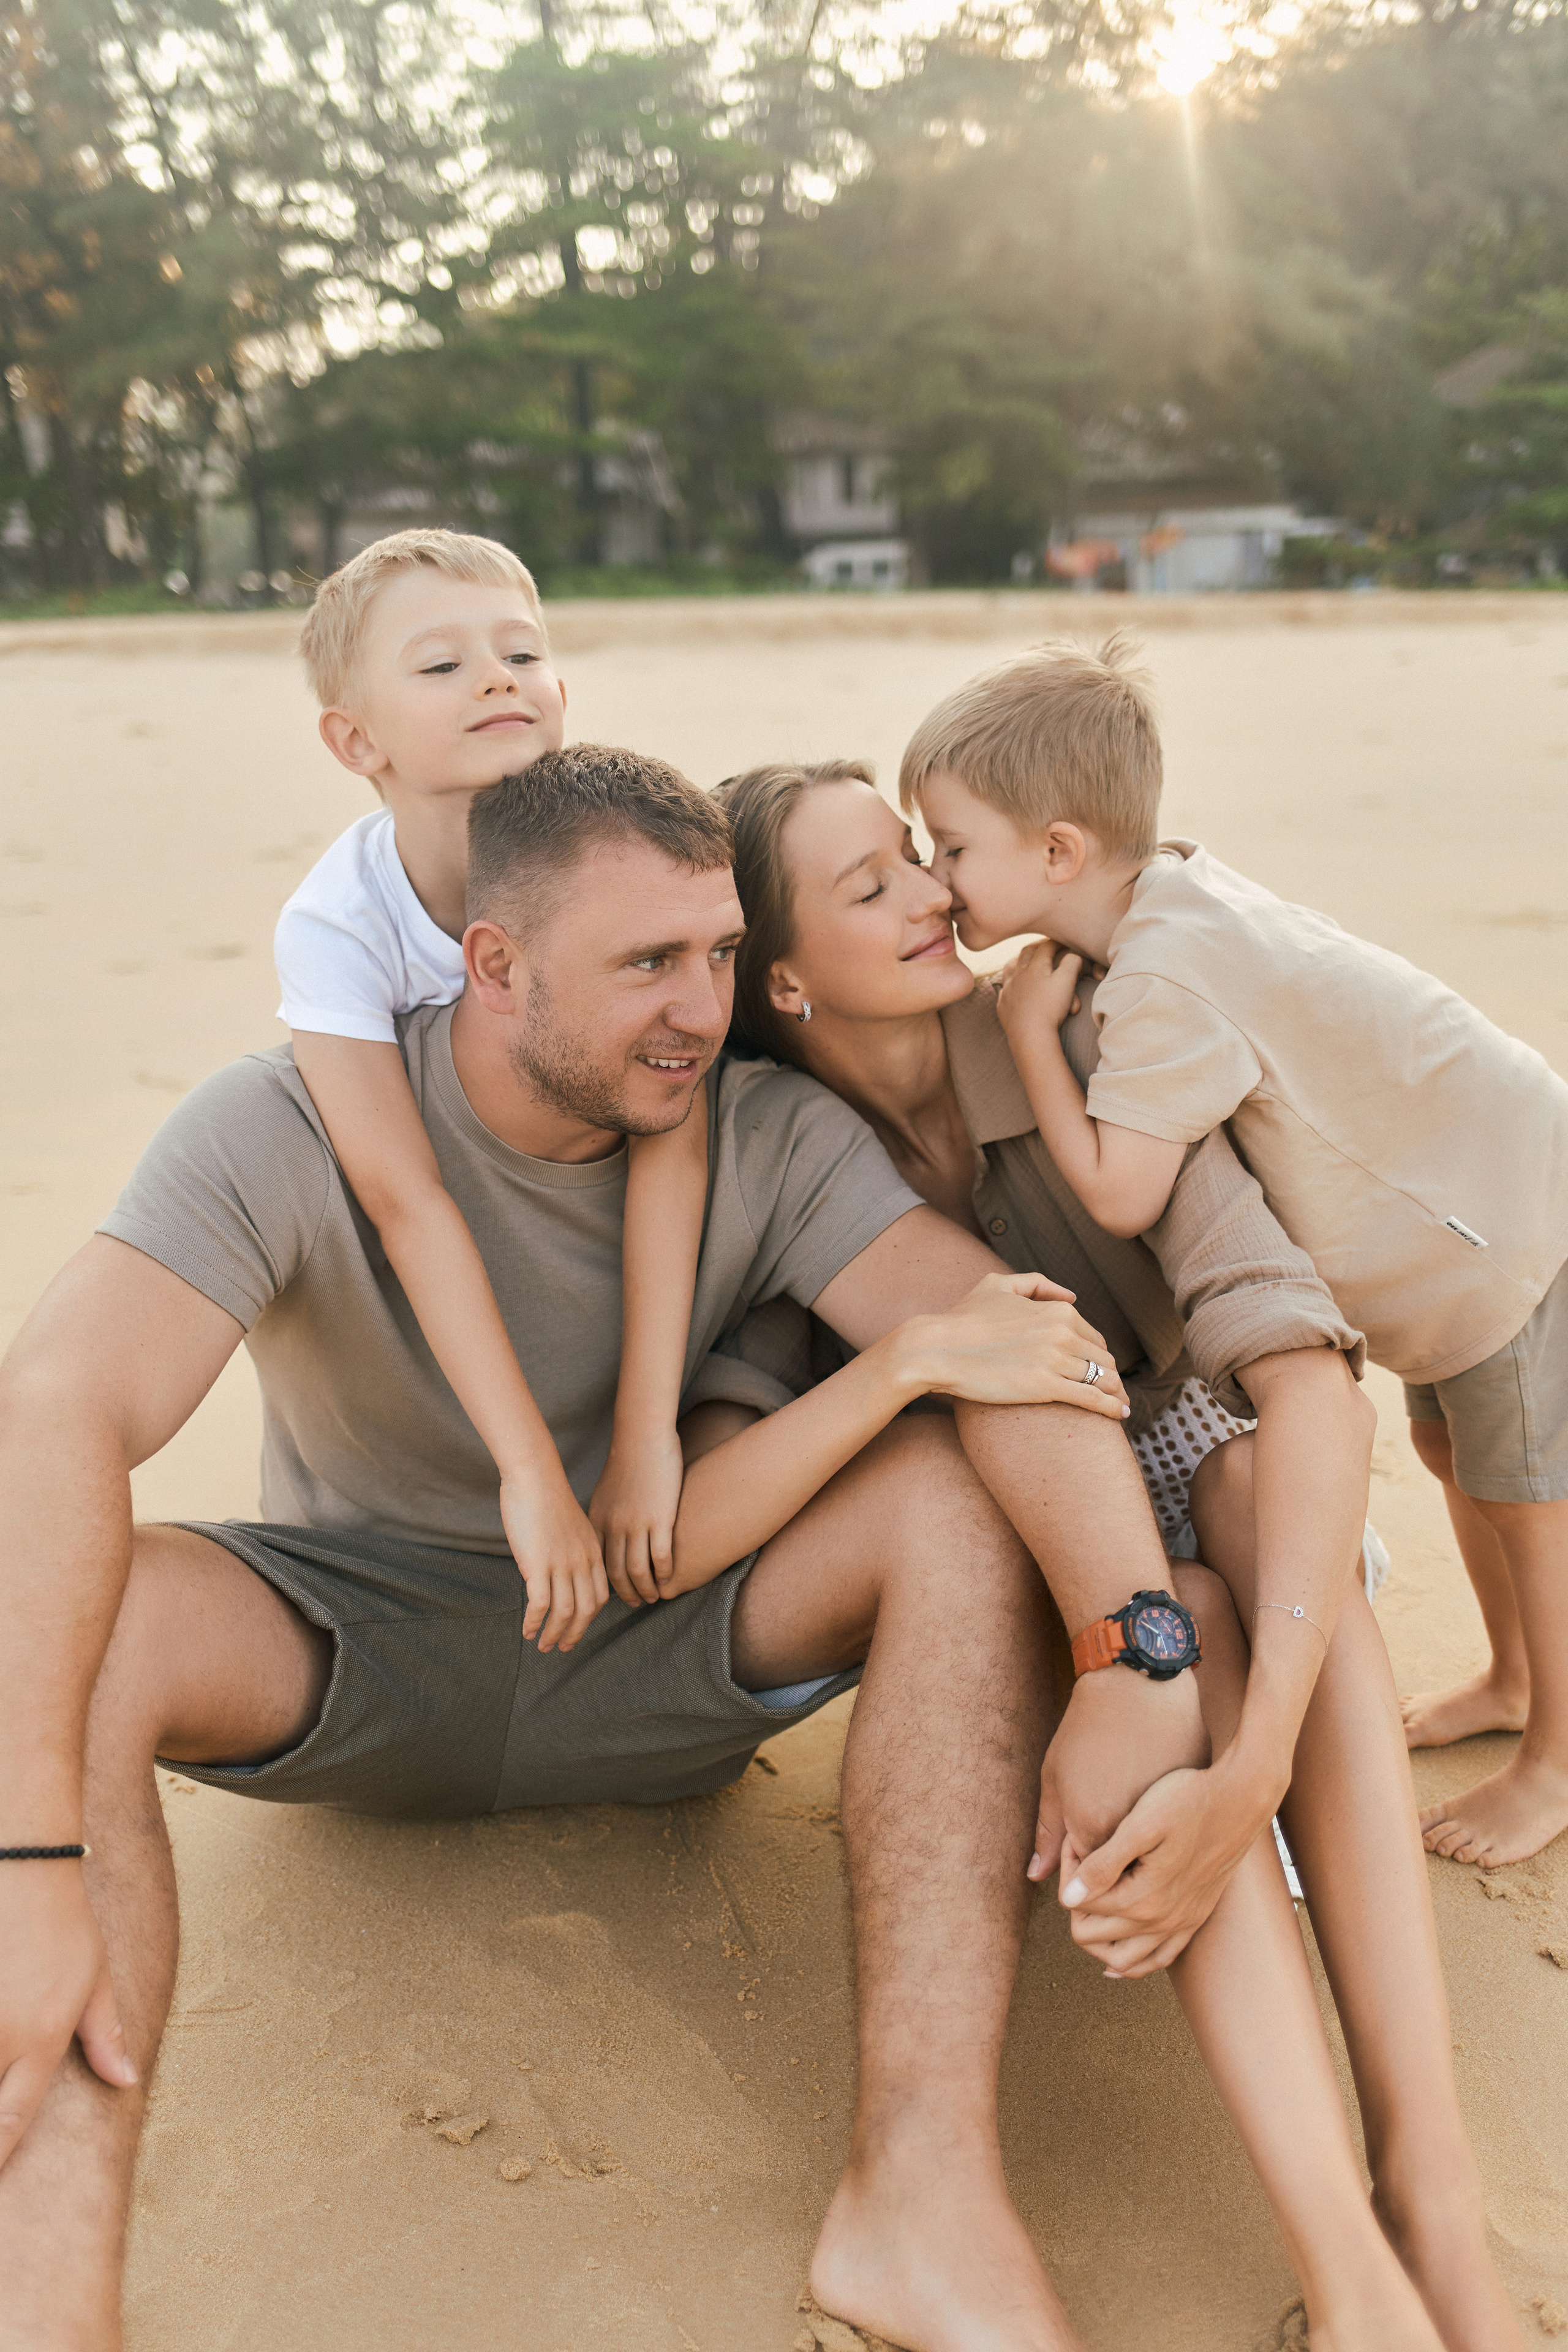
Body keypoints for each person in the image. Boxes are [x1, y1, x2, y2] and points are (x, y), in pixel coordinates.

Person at [0, 740, 1232, 2352]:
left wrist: (1132, 1641)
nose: (700, 1009)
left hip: (675, 1650)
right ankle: (50, 2298)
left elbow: (1017, 1344)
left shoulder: (765, 1136)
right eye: (647, 963)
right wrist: (26, 1865)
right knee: (110, 1599)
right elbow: (52, 1409)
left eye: (720, 955)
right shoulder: (293, 1120)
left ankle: (922, 2199)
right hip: (357, 1652)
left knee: (941, 1492)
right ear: (492, 965)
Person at [712, 753, 1526, 2352]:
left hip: (1245, 1513)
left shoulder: (1079, 1029)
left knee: (1233, 1493)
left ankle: (1428, 2195)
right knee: (1187, 1623)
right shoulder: (776, 1167)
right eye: (870, 884)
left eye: (915, 855)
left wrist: (1256, 1767)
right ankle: (1356, 2277)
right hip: (1027, 1582)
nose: (936, 892)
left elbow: (1306, 1378)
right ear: (785, 979)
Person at [903, 633, 1568, 1874]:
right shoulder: (1170, 897)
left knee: (1529, 1491)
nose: (933, 878)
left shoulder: (1160, 979)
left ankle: (1557, 1761)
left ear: (1055, 853)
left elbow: (1116, 1189)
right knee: (1449, 1449)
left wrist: (1029, 1035)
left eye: (948, 847)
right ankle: (1513, 1679)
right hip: (1464, 1199)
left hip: (1497, 1228)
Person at [279, 526, 707, 1639]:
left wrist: (647, 1432)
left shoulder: (619, 848)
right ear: (353, 739)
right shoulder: (339, 926)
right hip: (443, 1262)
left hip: (609, 1221)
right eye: (441, 665)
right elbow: (402, 1198)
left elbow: (674, 1123)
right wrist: (529, 1469)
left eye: (521, 653)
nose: (496, 677)